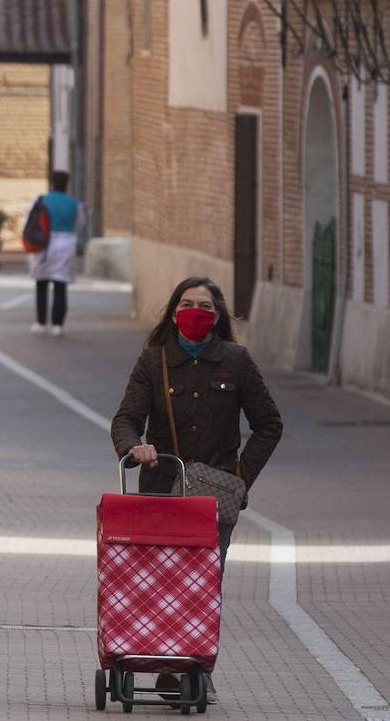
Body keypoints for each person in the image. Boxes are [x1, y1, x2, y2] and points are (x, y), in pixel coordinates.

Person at [109, 276, 282, 704]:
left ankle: (194, 667)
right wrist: (136, 447)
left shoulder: (237, 362)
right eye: (186, 303)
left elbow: (269, 425)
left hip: (213, 497)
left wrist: (240, 477)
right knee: (157, 581)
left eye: (204, 305)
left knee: (205, 584)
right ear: (173, 313)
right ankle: (165, 662)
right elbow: (125, 419)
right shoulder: (154, 361)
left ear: (217, 315)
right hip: (161, 490)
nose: (195, 311)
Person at [28, 170, 84, 337]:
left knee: (41, 285)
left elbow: (29, 221)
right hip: (66, 245)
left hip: (43, 245)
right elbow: (80, 223)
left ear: (51, 183)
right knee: (60, 286)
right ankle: (58, 325)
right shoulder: (74, 203)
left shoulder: (41, 201)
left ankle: (41, 323)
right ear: (66, 184)